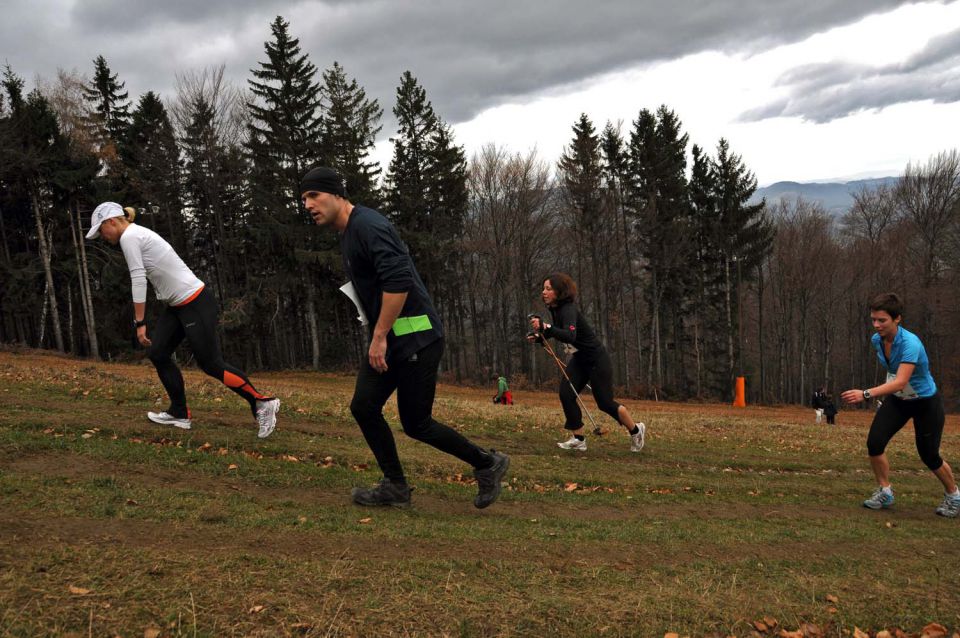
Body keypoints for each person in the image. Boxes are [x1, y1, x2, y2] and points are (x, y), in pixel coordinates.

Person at [300, 166, 509, 509]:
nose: (308, 204)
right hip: (392, 339)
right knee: (364, 407)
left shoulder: (369, 226)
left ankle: (487, 463)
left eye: (314, 195)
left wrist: (379, 335)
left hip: (417, 339)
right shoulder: (348, 231)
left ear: (338, 194)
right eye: (304, 199)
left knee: (416, 423)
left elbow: (399, 283)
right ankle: (395, 486)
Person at [86, 202, 280, 437]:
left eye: (101, 230)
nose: (102, 237)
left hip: (195, 302)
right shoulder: (135, 234)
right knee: (158, 353)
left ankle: (261, 402)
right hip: (178, 306)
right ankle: (179, 413)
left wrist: (140, 322)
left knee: (211, 364)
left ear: (111, 222)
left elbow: (138, 279)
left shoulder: (130, 237)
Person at [840, 293, 959, 518]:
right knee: (874, 443)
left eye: (882, 320)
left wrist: (865, 394)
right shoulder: (878, 340)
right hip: (899, 400)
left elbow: (902, 380)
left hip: (925, 403)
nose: (876, 325)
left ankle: (953, 495)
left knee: (929, 455)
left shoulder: (911, 344)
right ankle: (885, 492)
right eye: (873, 319)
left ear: (897, 319)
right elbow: (894, 376)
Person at [528, 272, 645, 453]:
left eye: (548, 289)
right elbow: (559, 332)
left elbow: (570, 334)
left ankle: (636, 430)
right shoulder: (556, 309)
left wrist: (546, 328)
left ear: (559, 292)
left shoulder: (567, 309)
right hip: (580, 359)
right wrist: (540, 336)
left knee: (605, 403)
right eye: (544, 288)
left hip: (597, 360)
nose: (544, 292)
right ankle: (578, 439)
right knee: (566, 394)